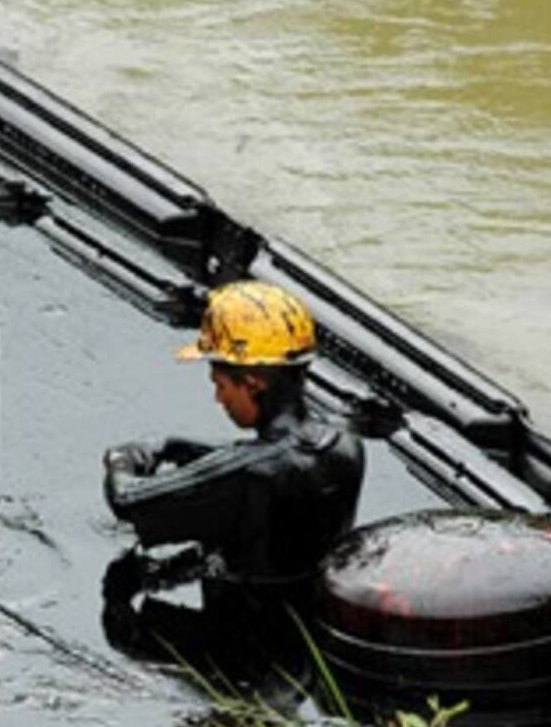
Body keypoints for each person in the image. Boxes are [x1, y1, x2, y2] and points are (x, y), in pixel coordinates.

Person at [100, 280, 365, 685]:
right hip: (302, 645)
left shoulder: (250, 476)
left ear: (254, 382)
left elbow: (128, 500)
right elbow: (267, 454)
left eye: (220, 384)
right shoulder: (346, 447)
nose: (218, 400)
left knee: (122, 636)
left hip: (240, 656)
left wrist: (123, 458)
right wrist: (175, 445)